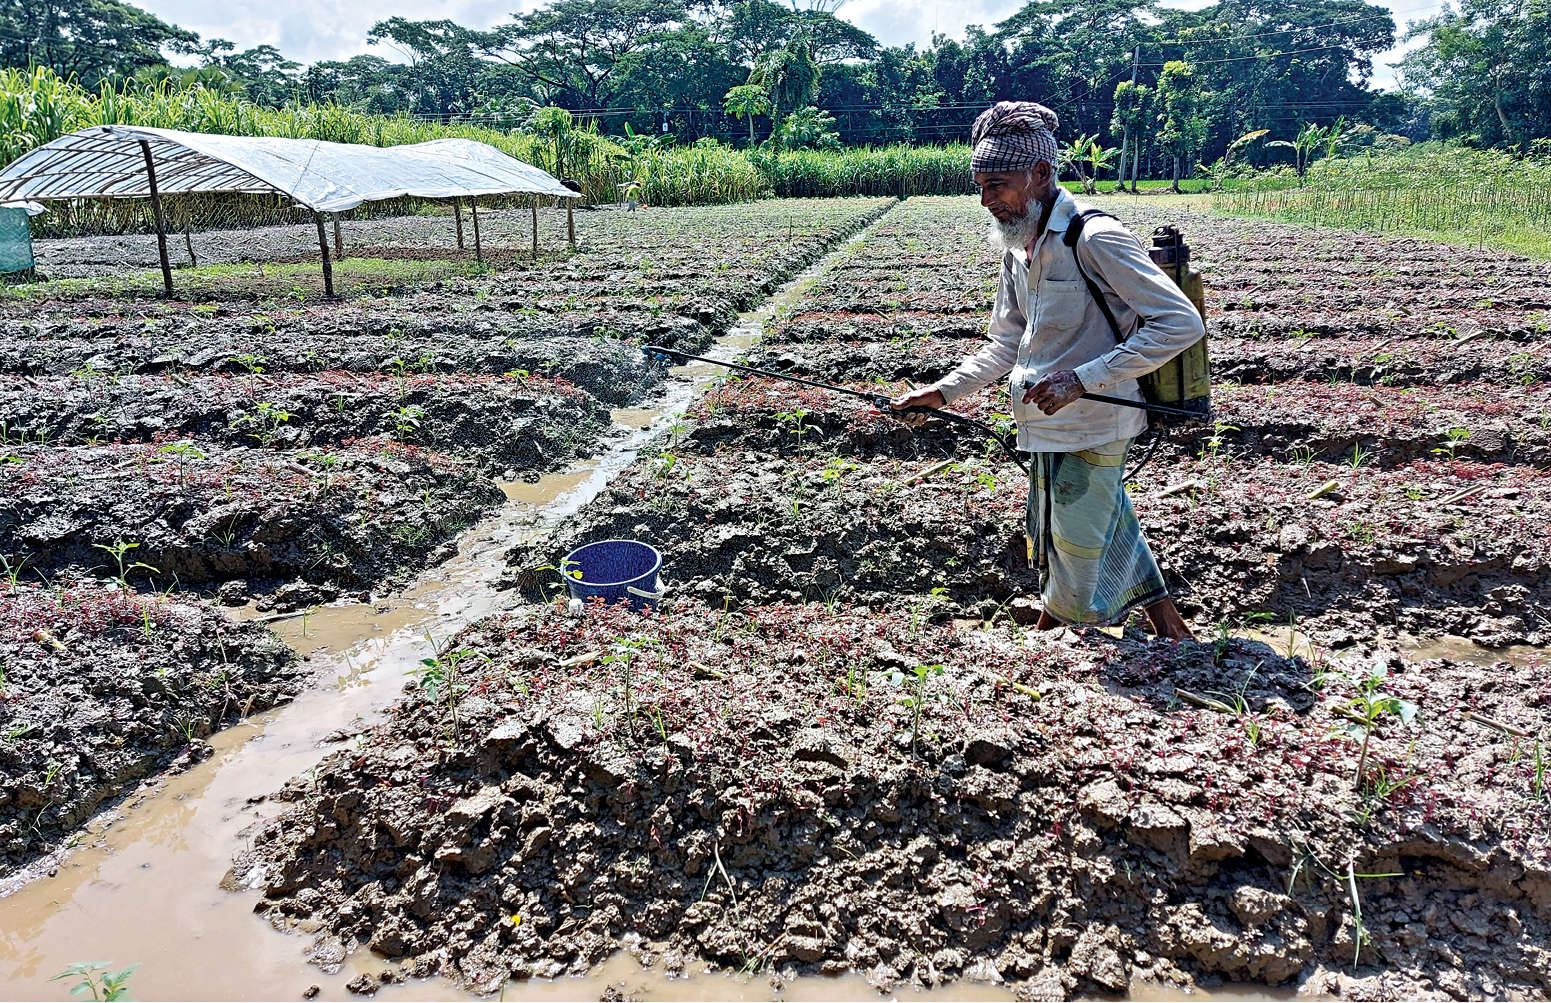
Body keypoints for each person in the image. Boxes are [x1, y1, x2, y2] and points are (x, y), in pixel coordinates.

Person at [891, 100, 1202, 641]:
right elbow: (1006, 344)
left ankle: (1061, 637)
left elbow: (1179, 322)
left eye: (998, 185)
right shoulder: (1019, 247)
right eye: (980, 187)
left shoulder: (1095, 238)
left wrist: (1081, 380)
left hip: (1094, 421)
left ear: (1039, 174)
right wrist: (940, 393)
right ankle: (1169, 626)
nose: (987, 200)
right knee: (1102, 522)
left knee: (1073, 543)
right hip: (1043, 424)